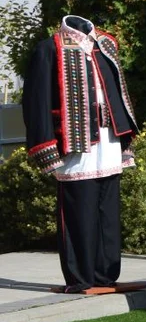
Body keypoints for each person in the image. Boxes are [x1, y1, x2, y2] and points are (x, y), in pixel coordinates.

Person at [23, 15, 139, 293]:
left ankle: (106, 274)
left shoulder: (106, 43)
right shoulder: (49, 48)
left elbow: (119, 92)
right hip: (75, 145)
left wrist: (126, 134)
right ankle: (81, 278)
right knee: (79, 211)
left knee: (108, 213)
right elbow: (35, 100)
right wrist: (44, 145)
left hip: (109, 139)